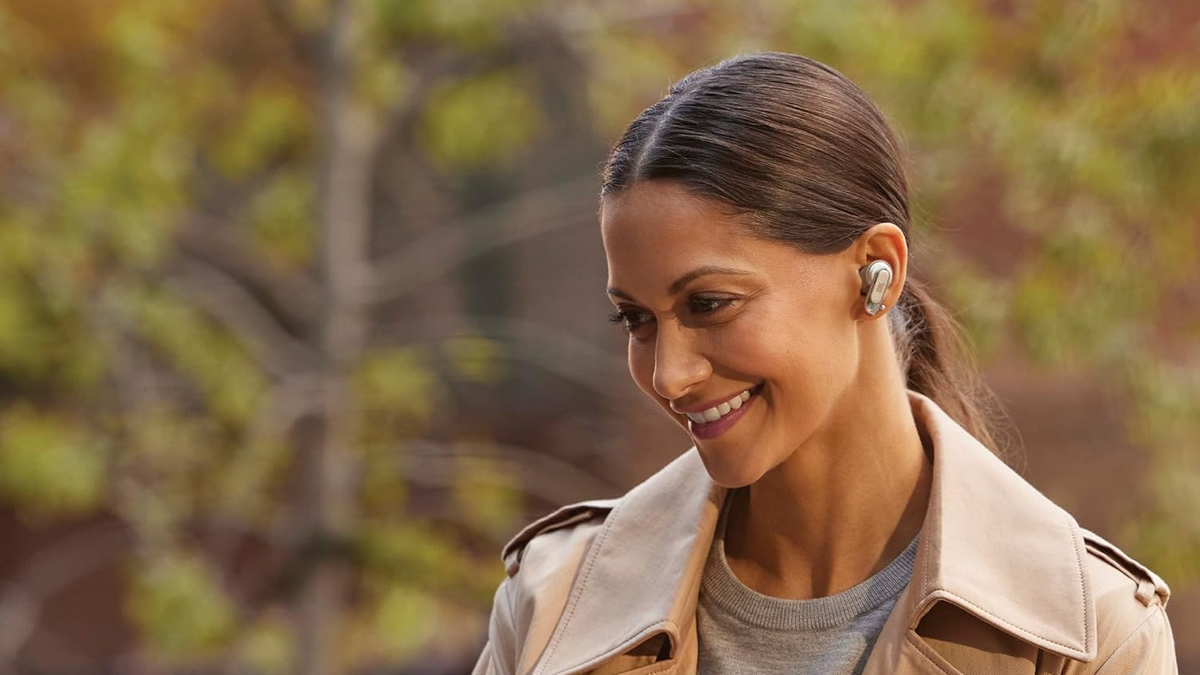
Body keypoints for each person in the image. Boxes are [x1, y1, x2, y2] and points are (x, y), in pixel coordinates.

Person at [470, 52, 1178, 675]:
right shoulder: (550, 604)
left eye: (709, 303)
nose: (669, 375)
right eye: (637, 320)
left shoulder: (1089, 636)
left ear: (875, 270)